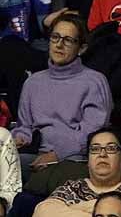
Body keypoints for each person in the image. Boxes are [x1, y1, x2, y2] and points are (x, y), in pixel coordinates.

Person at [12, 13, 111, 191]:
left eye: (68, 40)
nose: (59, 44)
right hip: (35, 155)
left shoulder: (94, 82)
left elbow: (92, 134)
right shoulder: (33, 82)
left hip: (74, 159)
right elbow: (24, 126)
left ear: (81, 48)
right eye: (55, 37)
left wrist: (56, 154)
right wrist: (20, 137)